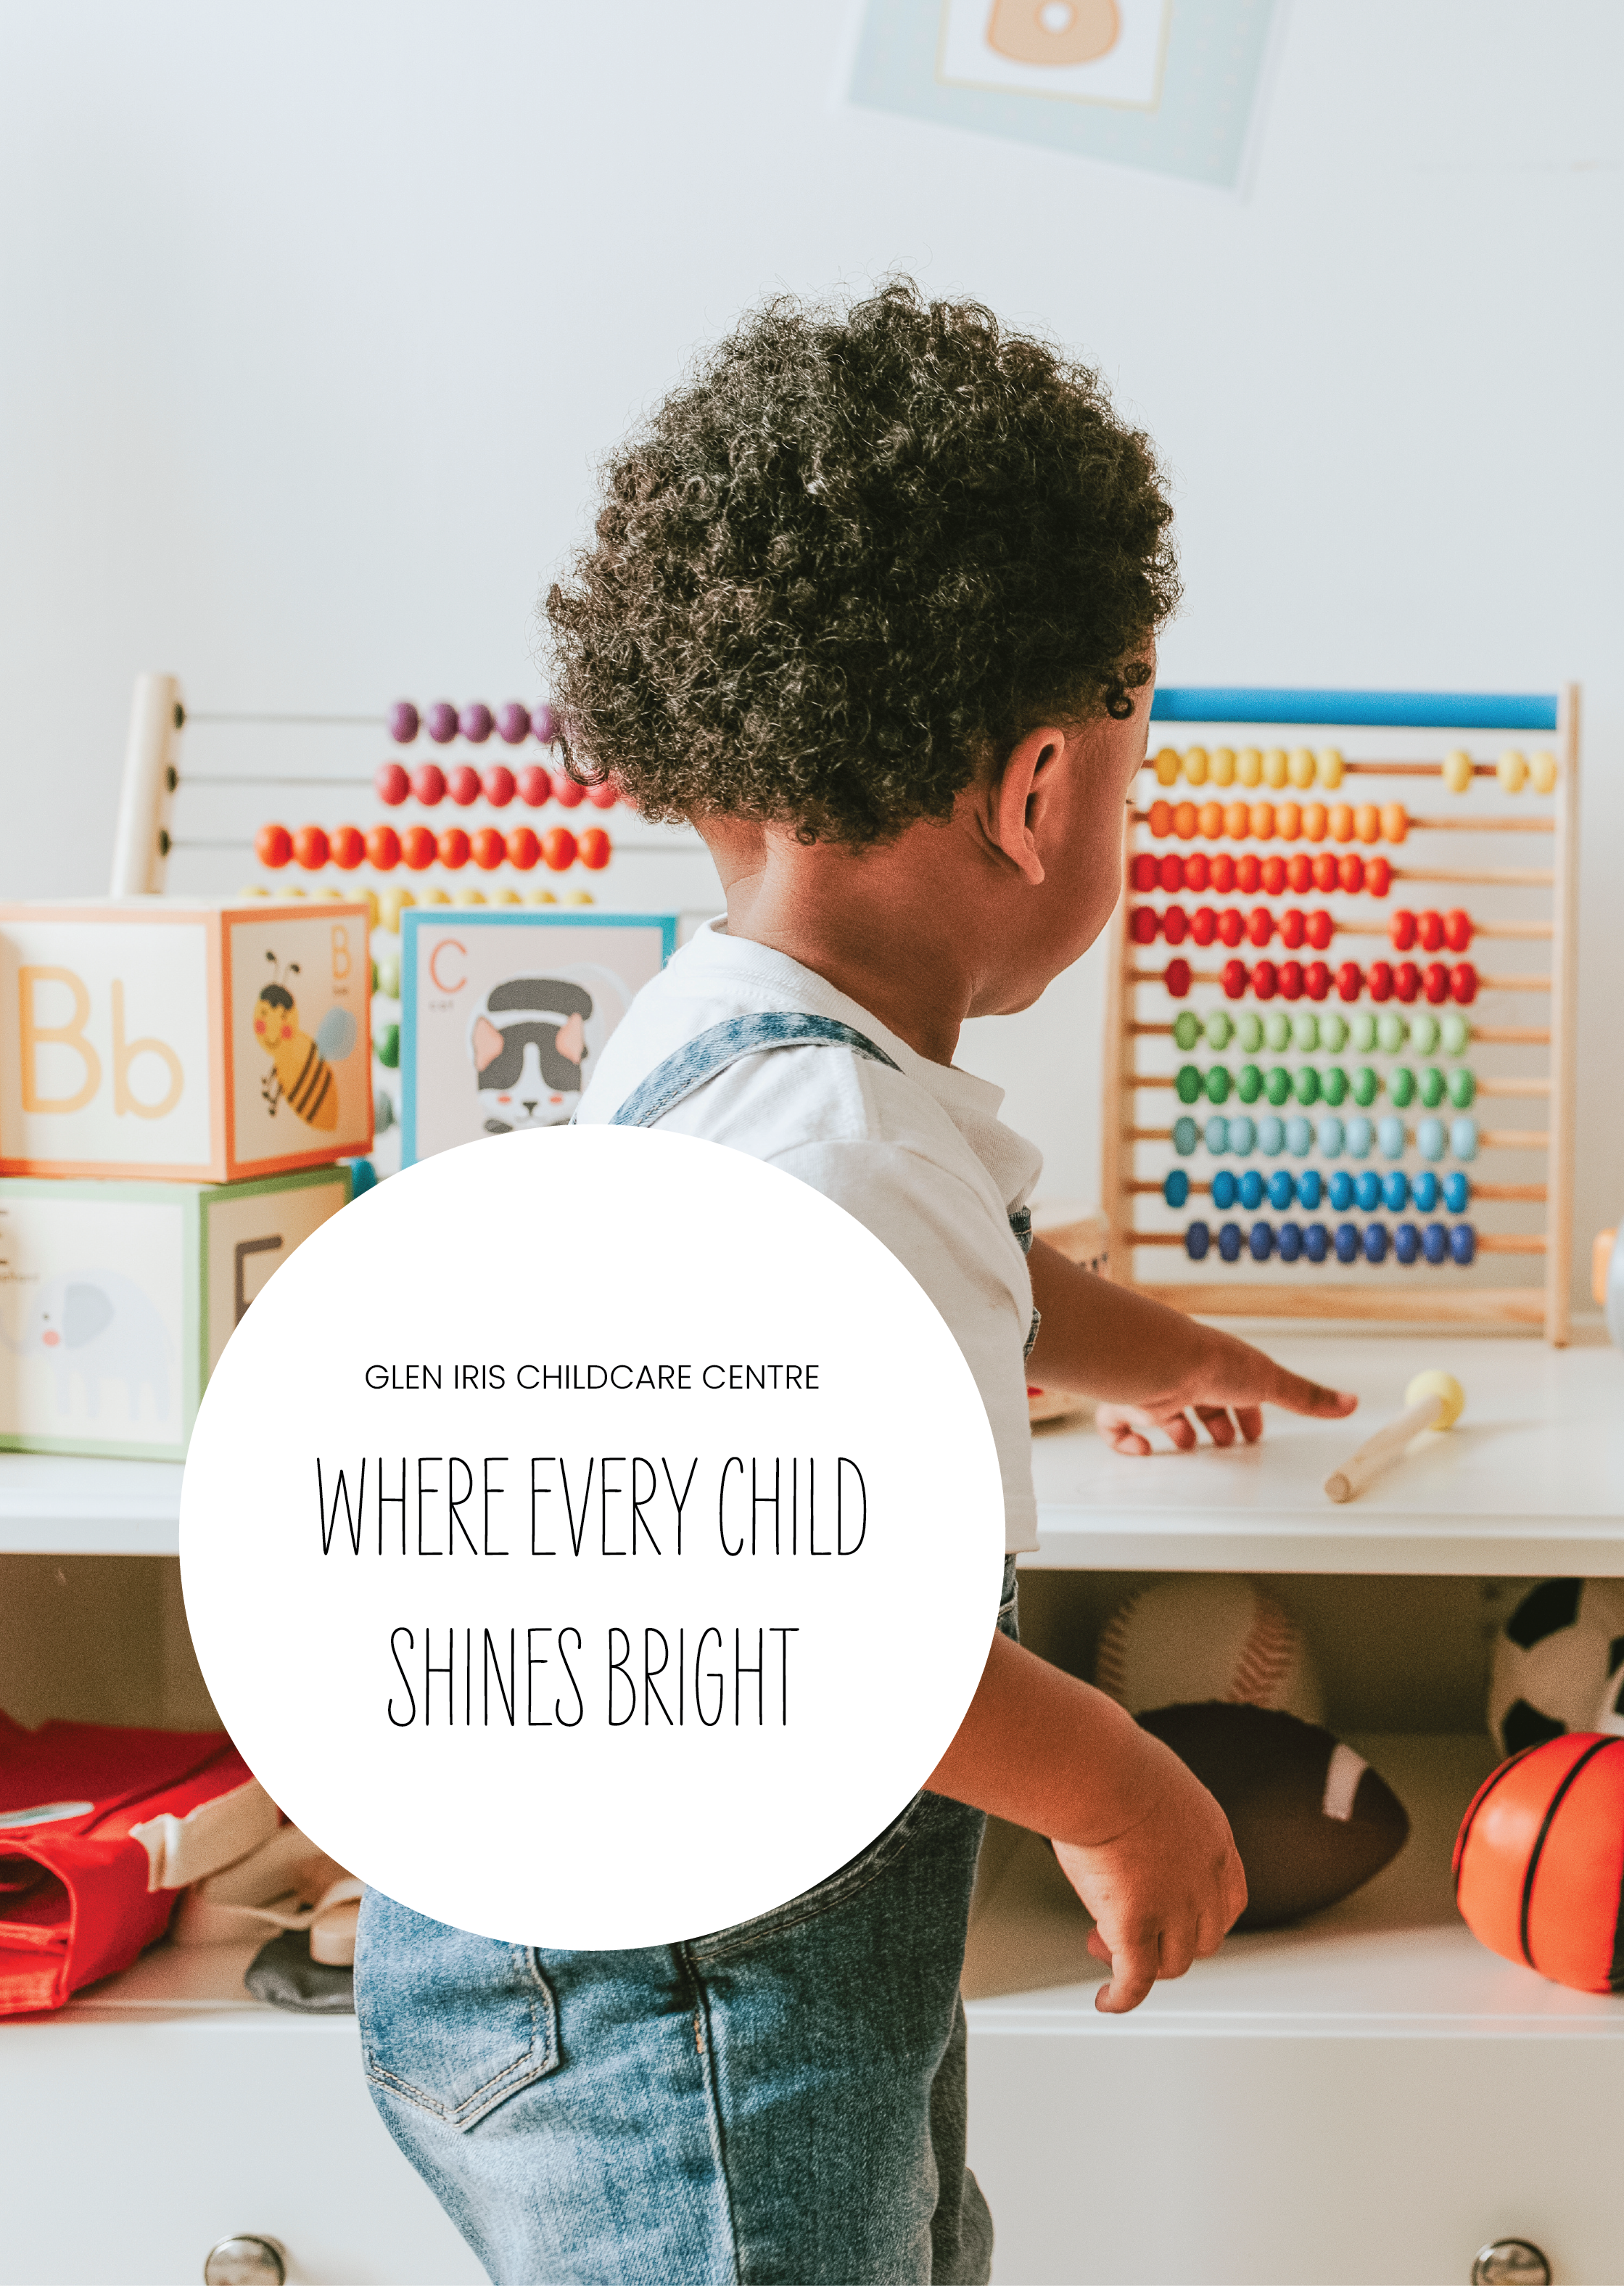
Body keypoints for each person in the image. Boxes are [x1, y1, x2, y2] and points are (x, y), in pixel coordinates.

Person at [355, 280, 1356, 2285]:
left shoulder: (739, 1043)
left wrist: (1155, 1350)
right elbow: (812, 1629)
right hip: (688, 2016)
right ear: (1039, 791)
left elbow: (960, 1266)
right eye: (1132, 766)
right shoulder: (844, 1147)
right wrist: (1124, 1790)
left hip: (620, 1964)